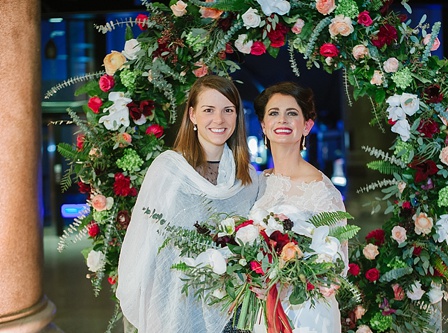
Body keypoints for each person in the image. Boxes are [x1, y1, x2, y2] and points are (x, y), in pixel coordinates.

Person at [116, 75, 259, 333]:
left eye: (228, 110)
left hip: (234, 313)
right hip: (177, 309)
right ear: (192, 115)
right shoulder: (168, 170)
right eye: (209, 110)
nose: (219, 119)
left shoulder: (246, 177)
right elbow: (148, 250)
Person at [250, 81, 348, 333]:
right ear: (263, 125)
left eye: (292, 113)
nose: (282, 120)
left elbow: (337, 265)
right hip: (263, 310)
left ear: (307, 125)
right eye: (273, 113)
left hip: (308, 315)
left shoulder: (322, 190)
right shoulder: (258, 183)